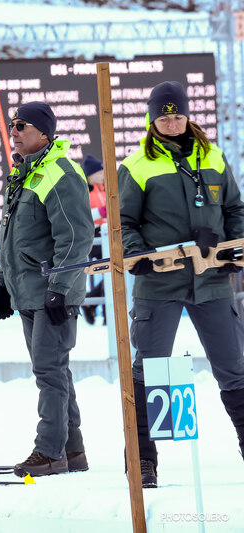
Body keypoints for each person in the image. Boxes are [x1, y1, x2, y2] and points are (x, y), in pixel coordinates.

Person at [119, 81, 244, 488]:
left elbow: (235, 209)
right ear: (152, 120)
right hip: (160, 282)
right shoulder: (136, 164)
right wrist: (138, 254)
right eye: (164, 117)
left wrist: (231, 247)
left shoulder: (213, 156)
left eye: (178, 116)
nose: (172, 123)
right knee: (148, 369)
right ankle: (142, 459)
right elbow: (124, 222)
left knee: (234, 367)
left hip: (213, 279)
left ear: (188, 116)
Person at [0, 101, 93, 477]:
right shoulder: (24, 173)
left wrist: (61, 288)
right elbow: (14, 238)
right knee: (55, 370)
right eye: (12, 126)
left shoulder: (59, 171)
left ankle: (49, 451)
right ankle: (72, 449)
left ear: (44, 132)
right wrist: (3, 283)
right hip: (29, 290)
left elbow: (76, 236)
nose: (14, 132)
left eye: (22, 125)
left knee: (49, 371)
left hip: (52, 290)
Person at [80, 154, 106, 325]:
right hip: (92, 238)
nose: (104, 174)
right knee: (115, 267)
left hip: (106, 235)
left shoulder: (101, 188)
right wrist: (102, 213)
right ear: (91, 174)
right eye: (100, 172)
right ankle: (94, 301)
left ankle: (96, 304)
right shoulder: (82, 190)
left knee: (115, 269)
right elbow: (81, 217)